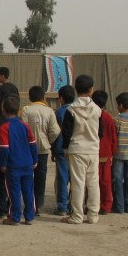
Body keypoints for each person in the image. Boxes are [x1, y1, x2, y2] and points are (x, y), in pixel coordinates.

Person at [61, 75, 101, 225]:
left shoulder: (71, 109)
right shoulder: (97, 109)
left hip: (77, 148)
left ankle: (77, 215)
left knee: (78, 183)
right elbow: (100, 131)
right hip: (93, 149)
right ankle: (93, 215)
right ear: (91, 90)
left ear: (76, 89)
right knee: (93, 182)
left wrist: (65, 148)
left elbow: (67, 131)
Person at [0, 96, 38, 225]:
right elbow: (33, 144)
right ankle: (29, 216)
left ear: (3, 110)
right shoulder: (25, 126)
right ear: (18, 110)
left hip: (13, 165)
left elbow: (4, 148)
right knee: (28, 191)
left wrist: (3, 163)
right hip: (27, 163)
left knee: (14, 191)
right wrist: (35, 159)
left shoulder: (4, 128)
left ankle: (15, 217)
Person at [19, 85, 60, 212]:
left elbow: (23, 129)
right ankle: (39, 204)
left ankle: (29, 204)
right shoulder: (49, 111)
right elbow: (55, 131)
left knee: (27, 177)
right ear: (43, 97)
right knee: (41, 177)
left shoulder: (26, 110)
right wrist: (48, 141)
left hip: (27, 149)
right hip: (43, 150)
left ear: (30, 97)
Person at [0, 67, 19, 219]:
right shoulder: (14, 87)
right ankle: (12, 207)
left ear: (3, 75)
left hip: (3, 147)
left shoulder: (2, 89)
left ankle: (1, 208)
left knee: (1, 179)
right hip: (16, 152)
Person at [50, 85, 75, 216]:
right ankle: (73, 205)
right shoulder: (77, 111)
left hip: (60, 149)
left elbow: (54, 133)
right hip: (75, 149)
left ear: (61, 98)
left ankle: (62, 206)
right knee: (75, 178)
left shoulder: (58, 112)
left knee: (62, 178)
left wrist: (53, 151)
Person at [91, 90, 117, 215]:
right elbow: (113, 136)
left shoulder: (91, 115)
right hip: (105, 153)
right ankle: (106, 205)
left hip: (92, 152)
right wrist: (112, 151)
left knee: (91, 181)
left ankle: (93, 204)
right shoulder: (108, 117)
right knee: (105, 180)